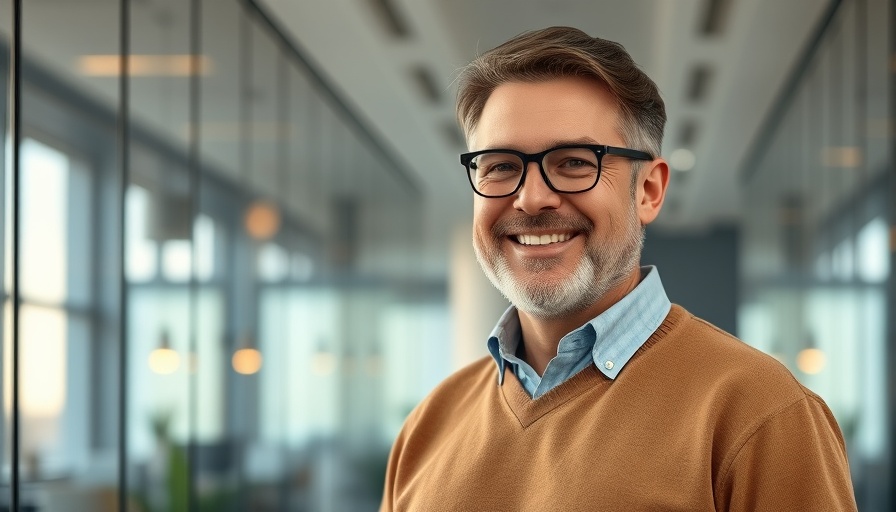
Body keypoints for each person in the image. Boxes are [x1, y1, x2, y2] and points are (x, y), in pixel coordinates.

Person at [380, 26, 857, 511]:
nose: (531, 197)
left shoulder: (759, 414)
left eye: (573, 162)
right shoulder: (429, 426)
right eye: (500, 166)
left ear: (648, 190)